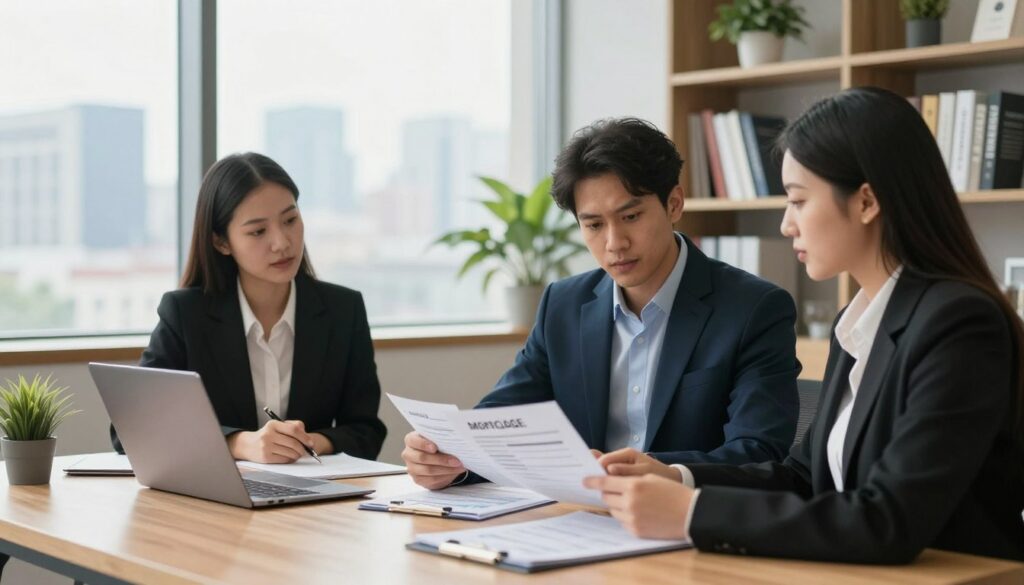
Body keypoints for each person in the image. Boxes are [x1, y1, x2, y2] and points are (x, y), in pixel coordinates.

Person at [584, 87, 1024, 563]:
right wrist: (676, 476)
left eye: (797, 200)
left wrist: (692, 512)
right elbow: (802, 476)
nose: (786, 225)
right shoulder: (858, 323)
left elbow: (889, 520)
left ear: (866, 202)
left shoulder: (959, 325)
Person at [403, 118, 801, 489]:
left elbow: (760, 452)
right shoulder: (562, 304)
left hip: (686, 527)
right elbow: (501, 424)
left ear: (674, 203)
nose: (614, 243)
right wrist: (449, 460)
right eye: (593, 225)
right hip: (576, 521)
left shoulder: (754, 309)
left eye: (630, 217)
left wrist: (669, 474)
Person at [111, 153, 386, 463]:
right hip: (216, 500)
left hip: (316, 498)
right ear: (221, 242)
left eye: (290, 220)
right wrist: (238, 443)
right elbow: (130, 430)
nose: (282, 242)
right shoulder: (185, 314)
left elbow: (366, 431)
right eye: (258, 231)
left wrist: (309, 442)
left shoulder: (343, 310)